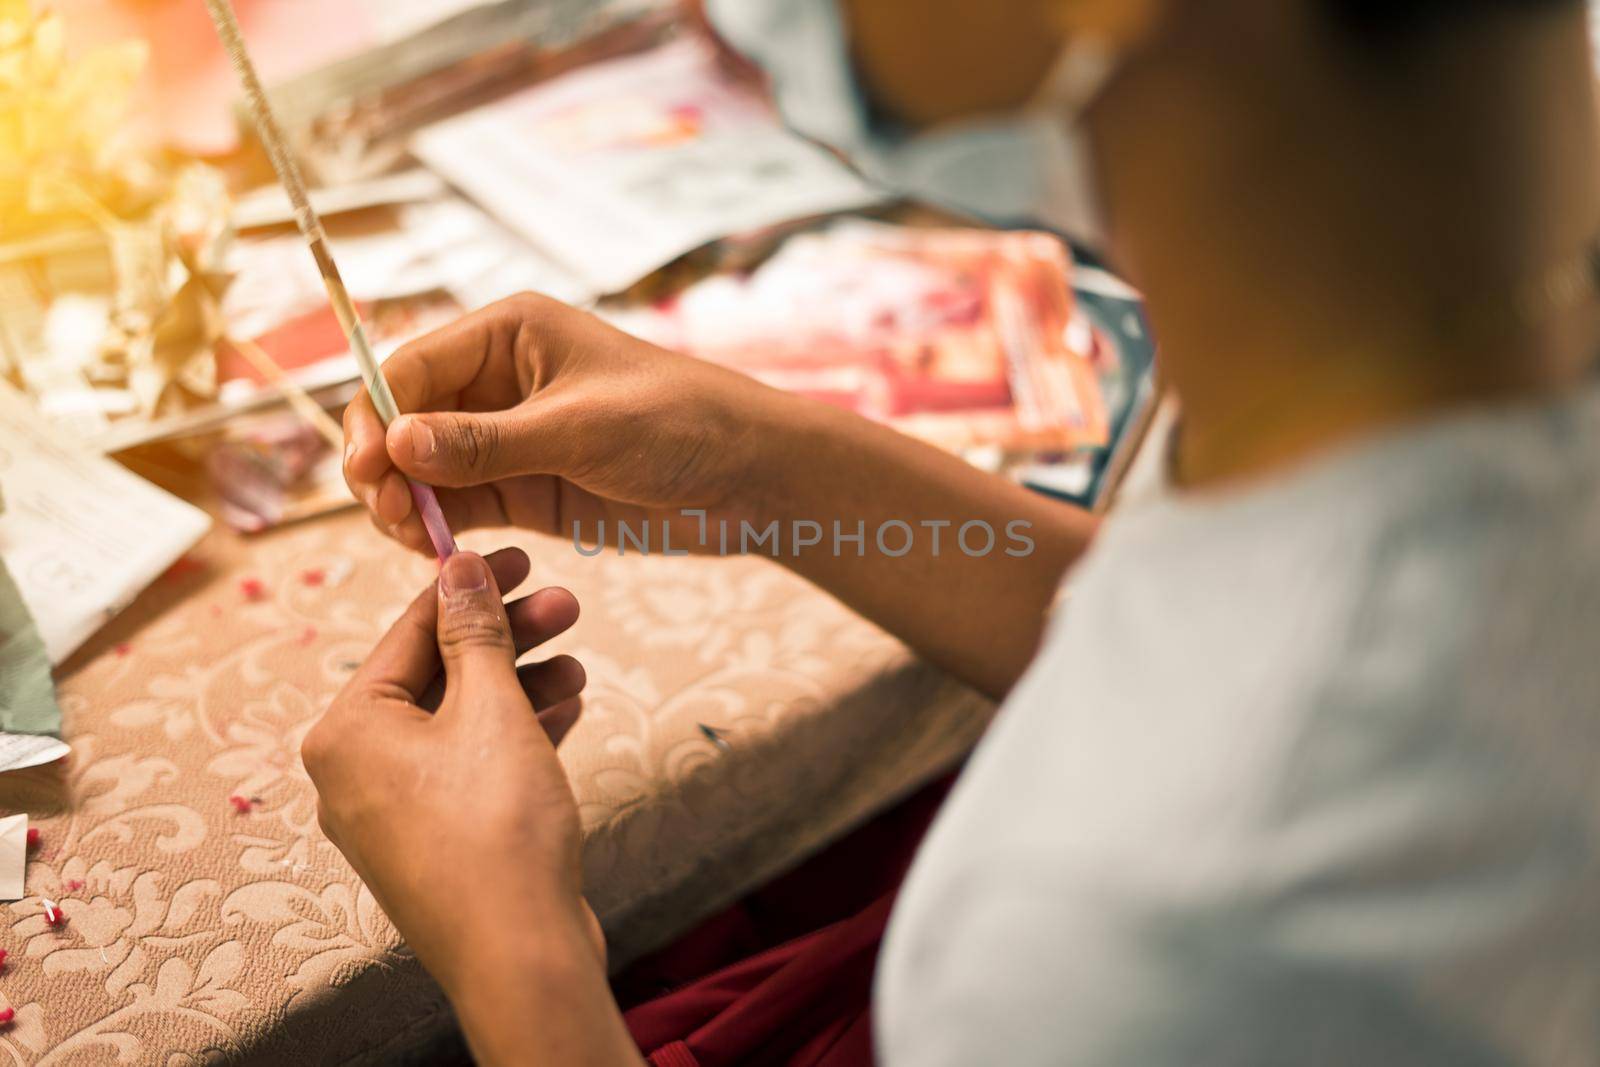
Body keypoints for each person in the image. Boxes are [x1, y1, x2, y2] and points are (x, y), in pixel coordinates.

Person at [307, 0, 1600, 1063]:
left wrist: (519, 962)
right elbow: (1207, 639)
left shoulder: (1155, 929)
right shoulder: (1416, 374)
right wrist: (763, 467)